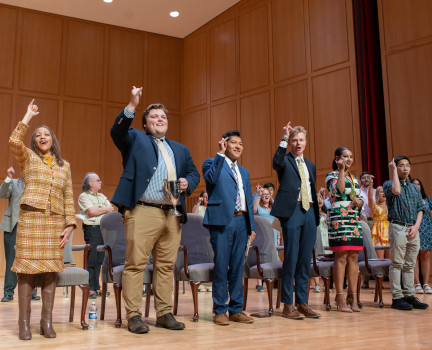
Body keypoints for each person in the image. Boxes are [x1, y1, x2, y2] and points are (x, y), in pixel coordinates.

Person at [110, 87, 200, 334]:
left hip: (172, 212)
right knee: (136, 263)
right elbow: (116, 132)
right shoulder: (135, 139)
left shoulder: (180, 149)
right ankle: (134, 315)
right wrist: (132, 104)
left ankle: (164, 313)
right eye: (154, 117)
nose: (160, 120)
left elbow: (193, 172)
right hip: (143, 210)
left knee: (166, 265)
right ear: (145, 123)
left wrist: (187, 183)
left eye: (163, 117)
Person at [9, 99, 76, 340]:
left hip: (54, 223)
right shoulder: (27, 157)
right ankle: (23, 323)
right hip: (31, 220)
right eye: (38, 135)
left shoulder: (64, 166)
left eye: (46, 134)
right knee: (26, 272)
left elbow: (68, 194)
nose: (42, 136)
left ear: (53, 139)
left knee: (50, 273)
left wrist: (70, 223)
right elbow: (14, 141)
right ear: (35, 141)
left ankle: (46, 322)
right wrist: (28, 117)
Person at [202, 130, 256, 326]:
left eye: (241, 143)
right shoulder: (212, 162)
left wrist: (251, 226)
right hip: (222, 221)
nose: (238, 146)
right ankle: (219, 310)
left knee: (237, 267)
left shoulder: (244, 172)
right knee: (221, 266)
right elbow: (211, 180)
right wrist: (220, 154)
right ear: (224, 143)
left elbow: (248, 199)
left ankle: (236, 309)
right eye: (234, 142)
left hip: (242, 221)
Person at [271, 123, 321, 319]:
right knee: (291, 257)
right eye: (294, 140)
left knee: (304, 260)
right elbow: (276, 161)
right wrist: (283, 137)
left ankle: (302, 303)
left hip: (309, 211)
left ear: (306, 142)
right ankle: (287, 304)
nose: (298, 143)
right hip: (292, 211)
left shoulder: (311, 165)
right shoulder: (285, 161)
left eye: (301, 140)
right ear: (290, 143)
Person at [383, 156, 428, 310]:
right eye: (401, 166)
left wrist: (416, 227)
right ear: (396, 168)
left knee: (409, 264)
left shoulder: (415, 188)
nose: (405, 168)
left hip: (413, 228)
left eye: (407, 166)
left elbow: (420, 209)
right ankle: (397, 297)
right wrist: (393, 171)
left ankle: (409, 294)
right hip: (397, 227)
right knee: (397, 263)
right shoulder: (388, 184)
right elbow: (396, 191)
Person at [325, 147, 363, 313]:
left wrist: (359, 202)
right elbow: (339, 190)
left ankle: (353, 297)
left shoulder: (354, 178)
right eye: (345, 156)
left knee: (353, 257)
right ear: (337, 158)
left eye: (350, 157)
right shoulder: (332, 175)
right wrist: (340, 170)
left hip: (353, 220)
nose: (348, 159)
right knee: (341, 257)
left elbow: (357, 196)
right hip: (339, 219)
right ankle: (340, 297)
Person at [1, 167, 40, 303]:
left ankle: (33, 290)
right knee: (11, 260)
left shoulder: (36, 186)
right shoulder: (14, 183)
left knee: (30, 259)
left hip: (30, 227)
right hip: (13, 226)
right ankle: (8, 292)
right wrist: (8, 178)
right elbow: (2, 194)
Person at [78, 172, 114, 299]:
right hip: (92, 229)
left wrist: (100, 209)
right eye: (98, 180)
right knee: (92, 259)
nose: (101, 182)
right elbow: (92, 212)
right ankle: (90, 287)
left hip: (103, 229)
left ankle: (97, 287)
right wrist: (103, 209)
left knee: (99, 259)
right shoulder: (84, 196)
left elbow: (111, 209)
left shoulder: (102, 196)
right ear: (90, 183)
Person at [411, 178, 432, 294]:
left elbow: (430, 214)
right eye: (413, 184)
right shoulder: (409, 199)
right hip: (415, 229)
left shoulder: (427, 199)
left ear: (421, 186)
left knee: (426, 256)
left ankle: (426, 284)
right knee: (415, 256)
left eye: (418, 184)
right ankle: (417, 284)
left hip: (427, 230)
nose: (416, 186)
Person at [368, 178, 390, 259]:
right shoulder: (374, 206)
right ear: (377, 194)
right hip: (378, 232)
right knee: (380, 260)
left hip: (389, 232)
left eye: (385, 191)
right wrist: (371, 185)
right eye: (381, 192)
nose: (384, 193)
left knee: (390, 261)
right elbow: (370, 198)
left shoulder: (390, 205)